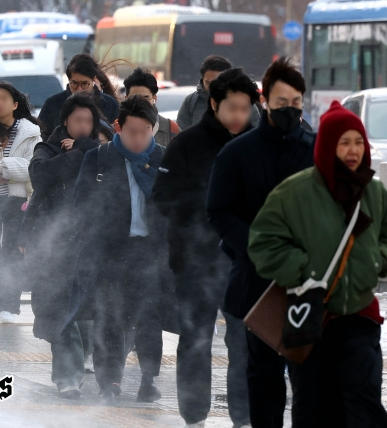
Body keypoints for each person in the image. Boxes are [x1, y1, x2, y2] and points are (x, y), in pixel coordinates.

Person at [248, 101, 387, 428]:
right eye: (344, 142)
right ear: (327, 145)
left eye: (358, 142)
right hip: (311, 318)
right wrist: (303, 268)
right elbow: (262, 242)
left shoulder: (375, 192)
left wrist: (375, 260)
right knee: (313, 407)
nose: (353, 150)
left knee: (363, 396)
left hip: (359, 316)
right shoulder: (294, 193)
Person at [207, 58, 316, 428]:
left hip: (309, 281)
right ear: (265, 101)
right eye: (282, 103)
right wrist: (256, 246)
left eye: (297, 103)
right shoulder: (238, 153)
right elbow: (218, 211)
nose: (291, 111)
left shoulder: (316, 150)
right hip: (257, 281)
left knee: (309, 379)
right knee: (263, 376)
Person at [153, 68, 259, 428]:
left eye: (245, 108)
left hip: (243, 262)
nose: (238, 116)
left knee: (244, 344)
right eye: (232, 107)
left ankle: (242, 418)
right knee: (195, 341)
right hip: (194, 262)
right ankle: (194, 417)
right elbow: (162, 197)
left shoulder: (258, 145)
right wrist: (203, 211)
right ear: (214, 104)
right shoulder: (188, 143)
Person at [72, 95, 165, 404]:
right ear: (118, 128)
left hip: (150, 252)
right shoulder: (100, 158)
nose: (138, 139)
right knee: (109, 317)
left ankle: (148, 379)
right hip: (110, 252)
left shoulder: (164, 161)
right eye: (132, 131)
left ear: (154, 128)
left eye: (145, 131)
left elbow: (177, 208)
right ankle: (109, 381)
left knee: (149, 318)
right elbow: (80, 207)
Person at [24, 92, 103, 399]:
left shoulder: (100, 150)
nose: (83, 126)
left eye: (88, 121)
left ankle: (77, 364)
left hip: (89, 243)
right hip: (53, 245)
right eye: (77, 120)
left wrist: (85, 149)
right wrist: (75, 155)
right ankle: (66, 377)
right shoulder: (47, 148)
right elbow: (41, 175)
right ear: (66, 121)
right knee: (61, 312)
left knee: (86, 316)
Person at [0, 81, 43, 324]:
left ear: (15, 104)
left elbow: (32, 168)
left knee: (13, 252)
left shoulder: (30, 132)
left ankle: (9, 306)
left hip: (17, 200)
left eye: (4, 98)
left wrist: (0, 166)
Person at [39, 53, 121, 140]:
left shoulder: (110, 104)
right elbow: (42, 140)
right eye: (74, 83)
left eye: (84, 84)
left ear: (93, 80)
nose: (79, 89)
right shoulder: (52, 104)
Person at [177, 55, 260, 130]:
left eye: (218, 81)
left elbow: (255, 137)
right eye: (208, 82)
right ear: (203, 80)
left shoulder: (245, 104)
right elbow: (180, 136)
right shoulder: (192, 102)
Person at [123, 67, 179, 147]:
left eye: (145, 98)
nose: (140, 102)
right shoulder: (117, 128)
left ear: (154, 98)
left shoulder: (171, 129)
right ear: (126, 99)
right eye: (134, 98)